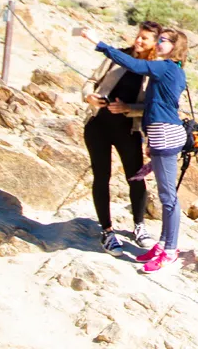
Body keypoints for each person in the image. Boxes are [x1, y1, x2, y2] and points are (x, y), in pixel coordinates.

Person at [78, 25, 189, 273]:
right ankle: (161, 245)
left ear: (175, 46)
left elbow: (135, 67)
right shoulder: (169, 68)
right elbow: (155, 104)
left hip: (160, 133)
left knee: (167, 198)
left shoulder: (163, 67)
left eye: (162, 40)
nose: (157, 42)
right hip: (155, 135)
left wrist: (98, 42)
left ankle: (169, 250)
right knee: (163, 195)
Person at [82, 21, 161, 255]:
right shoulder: (118, 56)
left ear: (154, 43)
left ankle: (139, 225)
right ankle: (107, 231)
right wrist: (89, 97)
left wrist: (128, 108)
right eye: (138, 36)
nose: (138, 41)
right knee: (101, 176)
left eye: (145, 38)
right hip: (98, 123)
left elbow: (153, 105)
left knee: (135, 178)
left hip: (129, 129)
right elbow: (90, 82)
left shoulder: (154, 68)